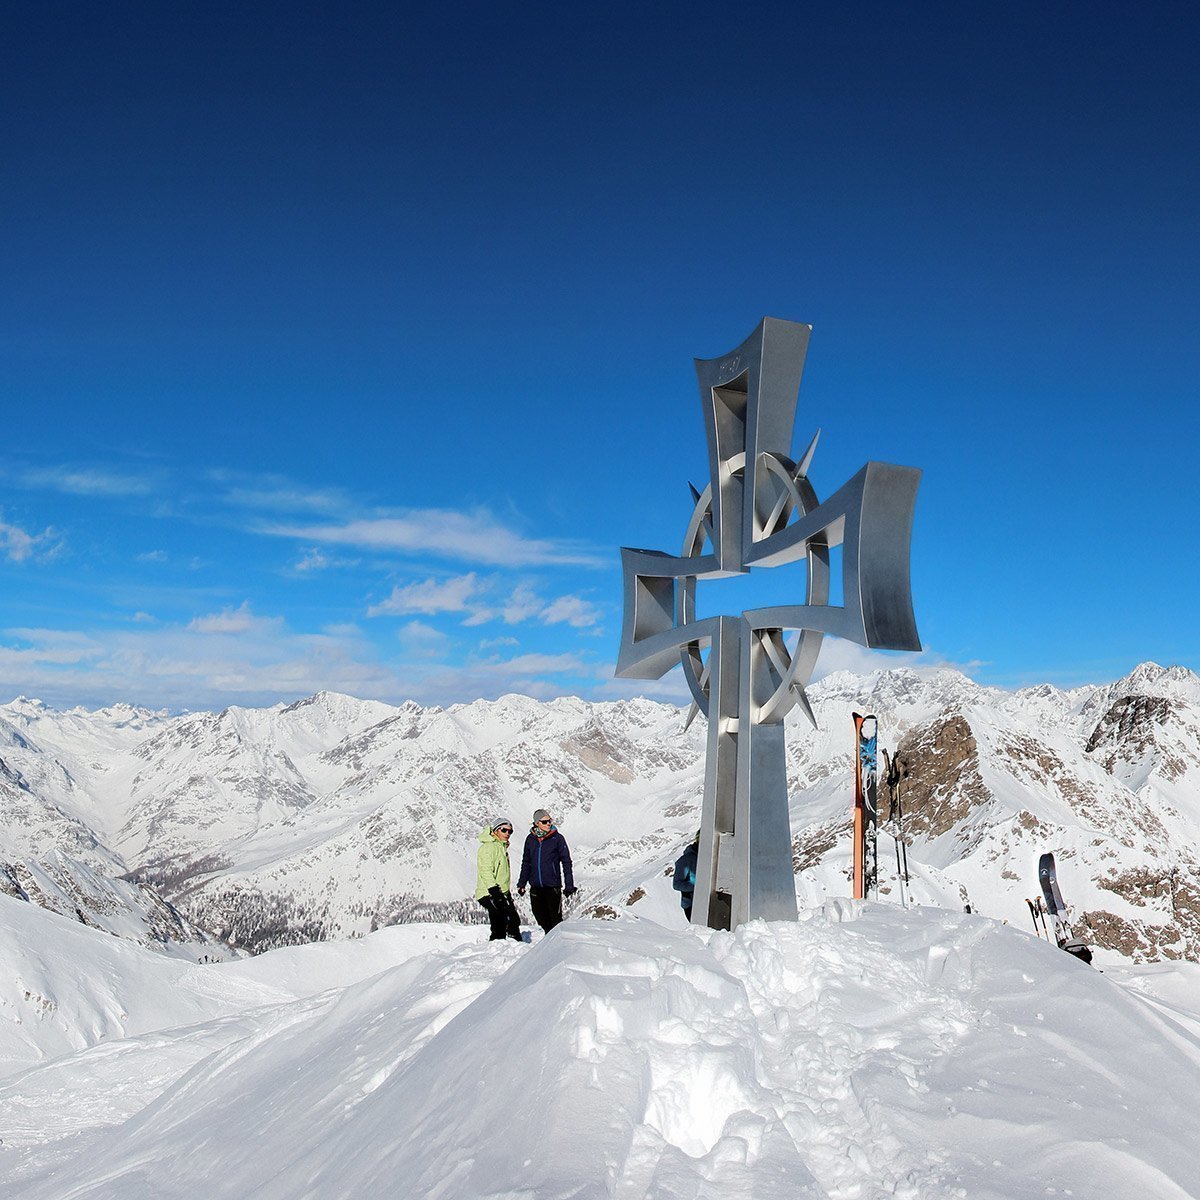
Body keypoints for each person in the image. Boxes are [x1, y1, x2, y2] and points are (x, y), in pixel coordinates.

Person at [516, 808, 576, 934]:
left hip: (552, 886)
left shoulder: (557, 839)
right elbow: (526, 862)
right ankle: (549, 944)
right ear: (537, 823)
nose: (548, 823)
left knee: (555, 921)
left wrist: (569, 885)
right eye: (544, 822)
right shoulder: (530, 839)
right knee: (541, 919)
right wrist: (522, 884)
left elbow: (566, 862)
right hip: (536, 887)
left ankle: (556, 948)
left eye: (549, 821)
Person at [475, 817, 522, 942]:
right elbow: (485, 871)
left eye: (510, 831)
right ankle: (498, 951)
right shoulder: (489, 848)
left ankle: (512, 949)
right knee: (502, 923)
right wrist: (494, 891)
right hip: (489, 892)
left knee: (512, 921)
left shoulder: (501, 847)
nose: (507, 834)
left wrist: (505, 893)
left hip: (500, 892)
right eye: (504, 830)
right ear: (495, 831)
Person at [673, 834, 699, 922]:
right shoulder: (686, 860)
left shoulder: (705, 858)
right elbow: (677, 884)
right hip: (691, 904)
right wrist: (696, 887)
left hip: (704, 901)